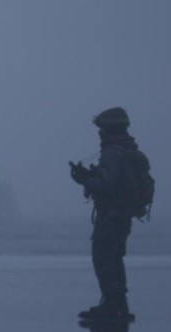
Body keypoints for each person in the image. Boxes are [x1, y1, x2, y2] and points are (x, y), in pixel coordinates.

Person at [70, 107, 152, 321]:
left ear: (106, 130)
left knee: (103, 259)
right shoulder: (128, 149)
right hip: (124, 215)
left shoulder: (112, 152)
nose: (99, 134)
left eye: (101, 129)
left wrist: (84, 179)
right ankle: (120, 307)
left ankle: (110, 306)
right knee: (116, 259)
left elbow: (106, 185)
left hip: (110, 215)